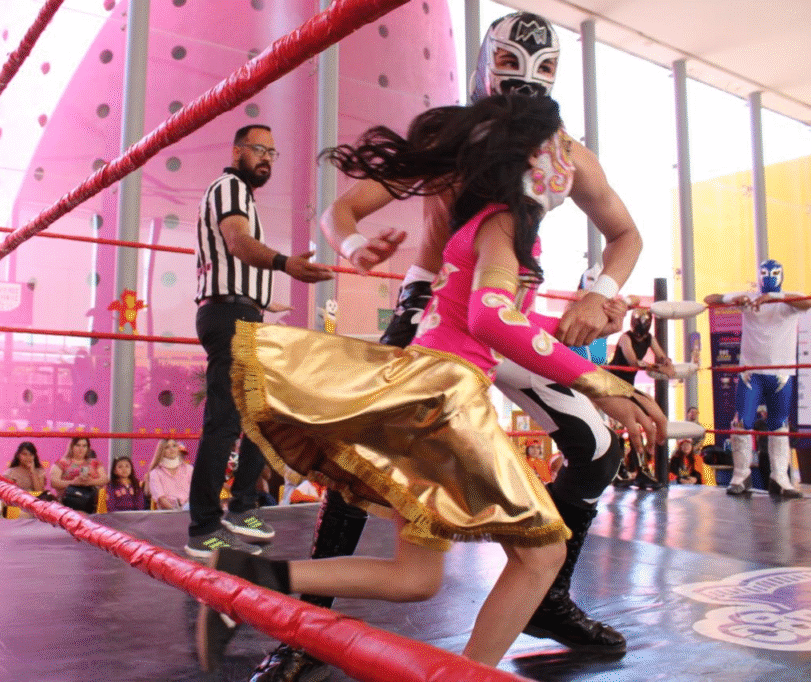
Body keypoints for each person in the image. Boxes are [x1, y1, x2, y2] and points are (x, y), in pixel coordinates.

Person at [198, 94, 667, 673]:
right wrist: (602, 384)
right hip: (446, 397)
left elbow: (496, 318)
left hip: (425, 386)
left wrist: (579, 326)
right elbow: (492, 320)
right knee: (542, 556)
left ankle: (248, 578)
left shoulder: (485, 224)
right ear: (527, 161)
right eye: (557, 148)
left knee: (415, 577)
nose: (566, 163)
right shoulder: (503, 223)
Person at [188, 123, 334, 558]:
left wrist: (263, 301)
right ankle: (203, 527)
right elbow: (237, 243)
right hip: (228, 315)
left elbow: (233, 257)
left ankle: (241, 507)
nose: (266, 158)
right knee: (225, 421)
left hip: (241, 312)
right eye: (258, 149)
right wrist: (285, 264)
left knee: (263, 414)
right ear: (237, 151)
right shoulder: (229, 188)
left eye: (272, 152)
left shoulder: (242, 197)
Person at [704, 259, 811, 498]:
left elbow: (807, 303)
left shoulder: (791, 298)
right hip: (751, 372)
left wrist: (774, 298)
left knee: (779, 424)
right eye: (765, 273)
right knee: (743, 421)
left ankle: (780, 477)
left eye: (773, 273)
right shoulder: (749, 297)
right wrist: (735, 300)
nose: (769, 277)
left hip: (781, 373)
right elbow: (710, 298)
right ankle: (741, 475)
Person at [608, 308, 676, 384]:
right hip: (613, 378)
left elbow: (662, 357)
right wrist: (661, 368)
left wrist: (668, 363)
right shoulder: (625, 338)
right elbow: (634, 363)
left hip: (627, 381)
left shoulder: (649, 338)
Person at [50, 436, 107, 513]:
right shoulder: (62, 462)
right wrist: (73, 482)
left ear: (88, 448)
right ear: (72, 447)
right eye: (78, 445)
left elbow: (104, 479)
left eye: (84, 446)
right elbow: (54, 482)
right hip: (67, 504)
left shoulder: (95, 462)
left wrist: (89, 482)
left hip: (91, 502)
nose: (81, 449)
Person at [147, 439, 194, 511]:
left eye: (174, 446)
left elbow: (195, 493)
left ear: (178, 449)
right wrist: (175, 511)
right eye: (167, 447)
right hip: (166, 513)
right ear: (162, 451)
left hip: (189, 510)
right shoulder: (155, 473)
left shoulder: (189, 469)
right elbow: (161, 499)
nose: (172, 449)